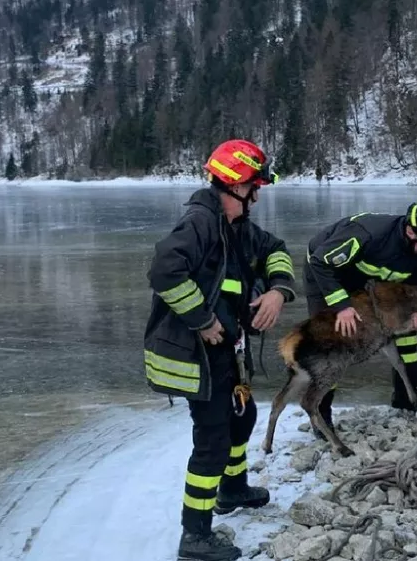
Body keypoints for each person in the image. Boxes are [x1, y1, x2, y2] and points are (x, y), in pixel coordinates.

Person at [143, 139, 296, 561]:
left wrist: (278, 292)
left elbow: (276, 251)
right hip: (194, 356)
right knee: (211, 440)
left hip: (226, 351)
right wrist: (204, 320)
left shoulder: (239, 228)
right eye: (254, 187)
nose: (258, 195)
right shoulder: (200, 223)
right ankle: (195, 536)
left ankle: (231, 489)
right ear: (233, 184)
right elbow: (164, 270)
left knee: (242, 417)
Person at [302, 202, 417, 431]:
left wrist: (416, 315)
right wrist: (342, 305)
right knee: (331, 346)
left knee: (404, 329)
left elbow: (411, 289)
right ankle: (321, 414)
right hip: (324, 272)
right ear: (411, 232)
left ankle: (405, 397)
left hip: (362, 278)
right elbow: (320, 262)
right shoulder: (368, 234)